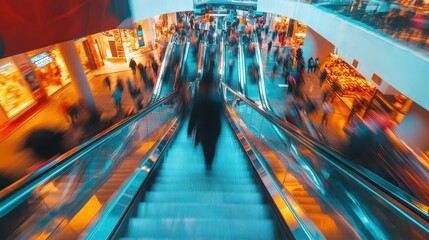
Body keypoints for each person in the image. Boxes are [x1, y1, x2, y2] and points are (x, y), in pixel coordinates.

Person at [187, 73, 222, 171]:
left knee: (205, 144)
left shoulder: (199, 97)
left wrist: (190, 129)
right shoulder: (217, 95)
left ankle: (208, 161)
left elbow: (194, 114)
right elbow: (221, 111)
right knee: (212, 144)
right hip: (216, 126)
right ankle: (210, 161)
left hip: (203, 126)